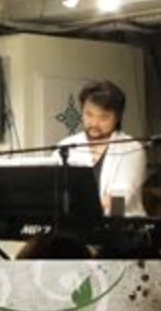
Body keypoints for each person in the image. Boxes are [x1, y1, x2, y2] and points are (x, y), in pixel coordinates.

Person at [55, 80, 146, 217]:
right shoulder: (66, 146)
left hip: (121, 224)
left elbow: (121, 199)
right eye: (89, 114)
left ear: (117, 118)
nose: (94, 123)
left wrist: (81, 208)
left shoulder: (132, 148)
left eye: (103, 118)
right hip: (75, 223)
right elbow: (55, 191)